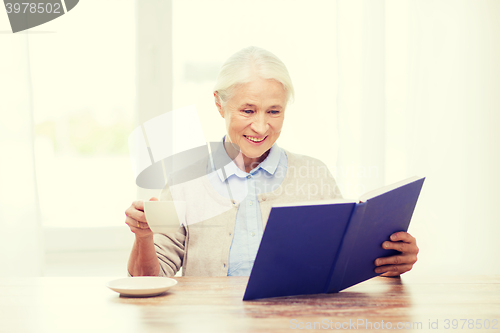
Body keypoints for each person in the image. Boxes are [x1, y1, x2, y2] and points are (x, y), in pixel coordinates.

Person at [125, 46, 418, 278]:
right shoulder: (185, 180)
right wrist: (143, 238)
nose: (261, 127)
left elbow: (341, 263)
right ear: (219, 104)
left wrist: (390, 263)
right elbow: (149, 277)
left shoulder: (313, 174)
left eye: (274, 112)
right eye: (248, 110)